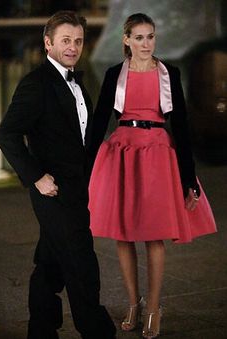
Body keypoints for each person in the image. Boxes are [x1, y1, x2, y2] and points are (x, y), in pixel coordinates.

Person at [88, 13, 217, 339]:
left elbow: (182, 127)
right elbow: (100, 120)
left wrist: (189, 179)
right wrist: (82, 167)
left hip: (159, 154)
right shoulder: (115, 75)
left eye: (151, 37)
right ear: (126, 40)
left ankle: (154, 306)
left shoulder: (168, 74)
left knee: (155, 233)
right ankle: (133, 302)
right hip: (123, 152)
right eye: (140, 37)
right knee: (123, 233)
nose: (147, 44)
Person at [0, 10, 116, 339]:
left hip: (77, 189)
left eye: (78, 40)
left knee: (50, 263)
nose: (73, 46)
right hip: (52, 191)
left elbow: (79, 139)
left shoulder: (78, 85)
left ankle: (41, 328)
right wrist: (36, 177)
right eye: (65, 40)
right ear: (48, 43)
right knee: (82, 265)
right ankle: (98, 332)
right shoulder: (35, 84)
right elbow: (6, 134)